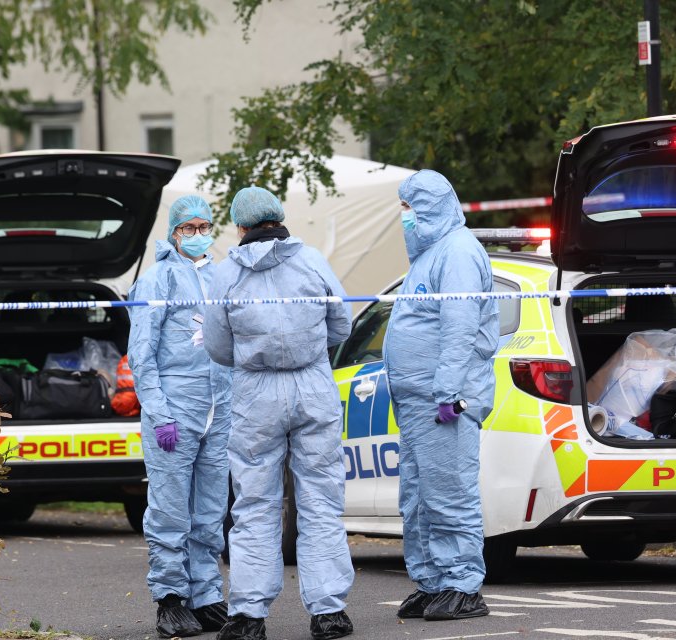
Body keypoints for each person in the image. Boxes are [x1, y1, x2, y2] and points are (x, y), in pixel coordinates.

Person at [203, 186, 355, 640]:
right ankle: (329, 611)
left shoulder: (226, 273)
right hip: (313, 385)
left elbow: (216, 345)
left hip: (255, 391)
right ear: (279, 217)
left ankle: (249, 614)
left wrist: (255, 358)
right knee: (321, 500)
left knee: (253, 502)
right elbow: (342, 322)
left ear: (241, 226)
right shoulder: (311, 260)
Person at [383, 170, 499, 621]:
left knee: (449, 492)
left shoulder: (459, 252)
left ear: (431, 206)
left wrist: (448, 389)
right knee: (417, 497)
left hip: (443, 400)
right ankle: (433, 582)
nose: (405, 216)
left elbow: (459, 327)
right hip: (418, 403)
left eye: (409, 207)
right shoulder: (431, 255)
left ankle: (464, 585)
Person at [127, 195, 233, 639]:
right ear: (173, 232)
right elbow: (142, 354)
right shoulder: (158, 279)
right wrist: (157, 410)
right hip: (174, 409)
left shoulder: (222, 276)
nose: (197, 234)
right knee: (171, 508)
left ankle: (206, 594)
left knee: (210, 509)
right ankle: (170, 598)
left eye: (204, 226)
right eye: (188, 227)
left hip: (219, 409)